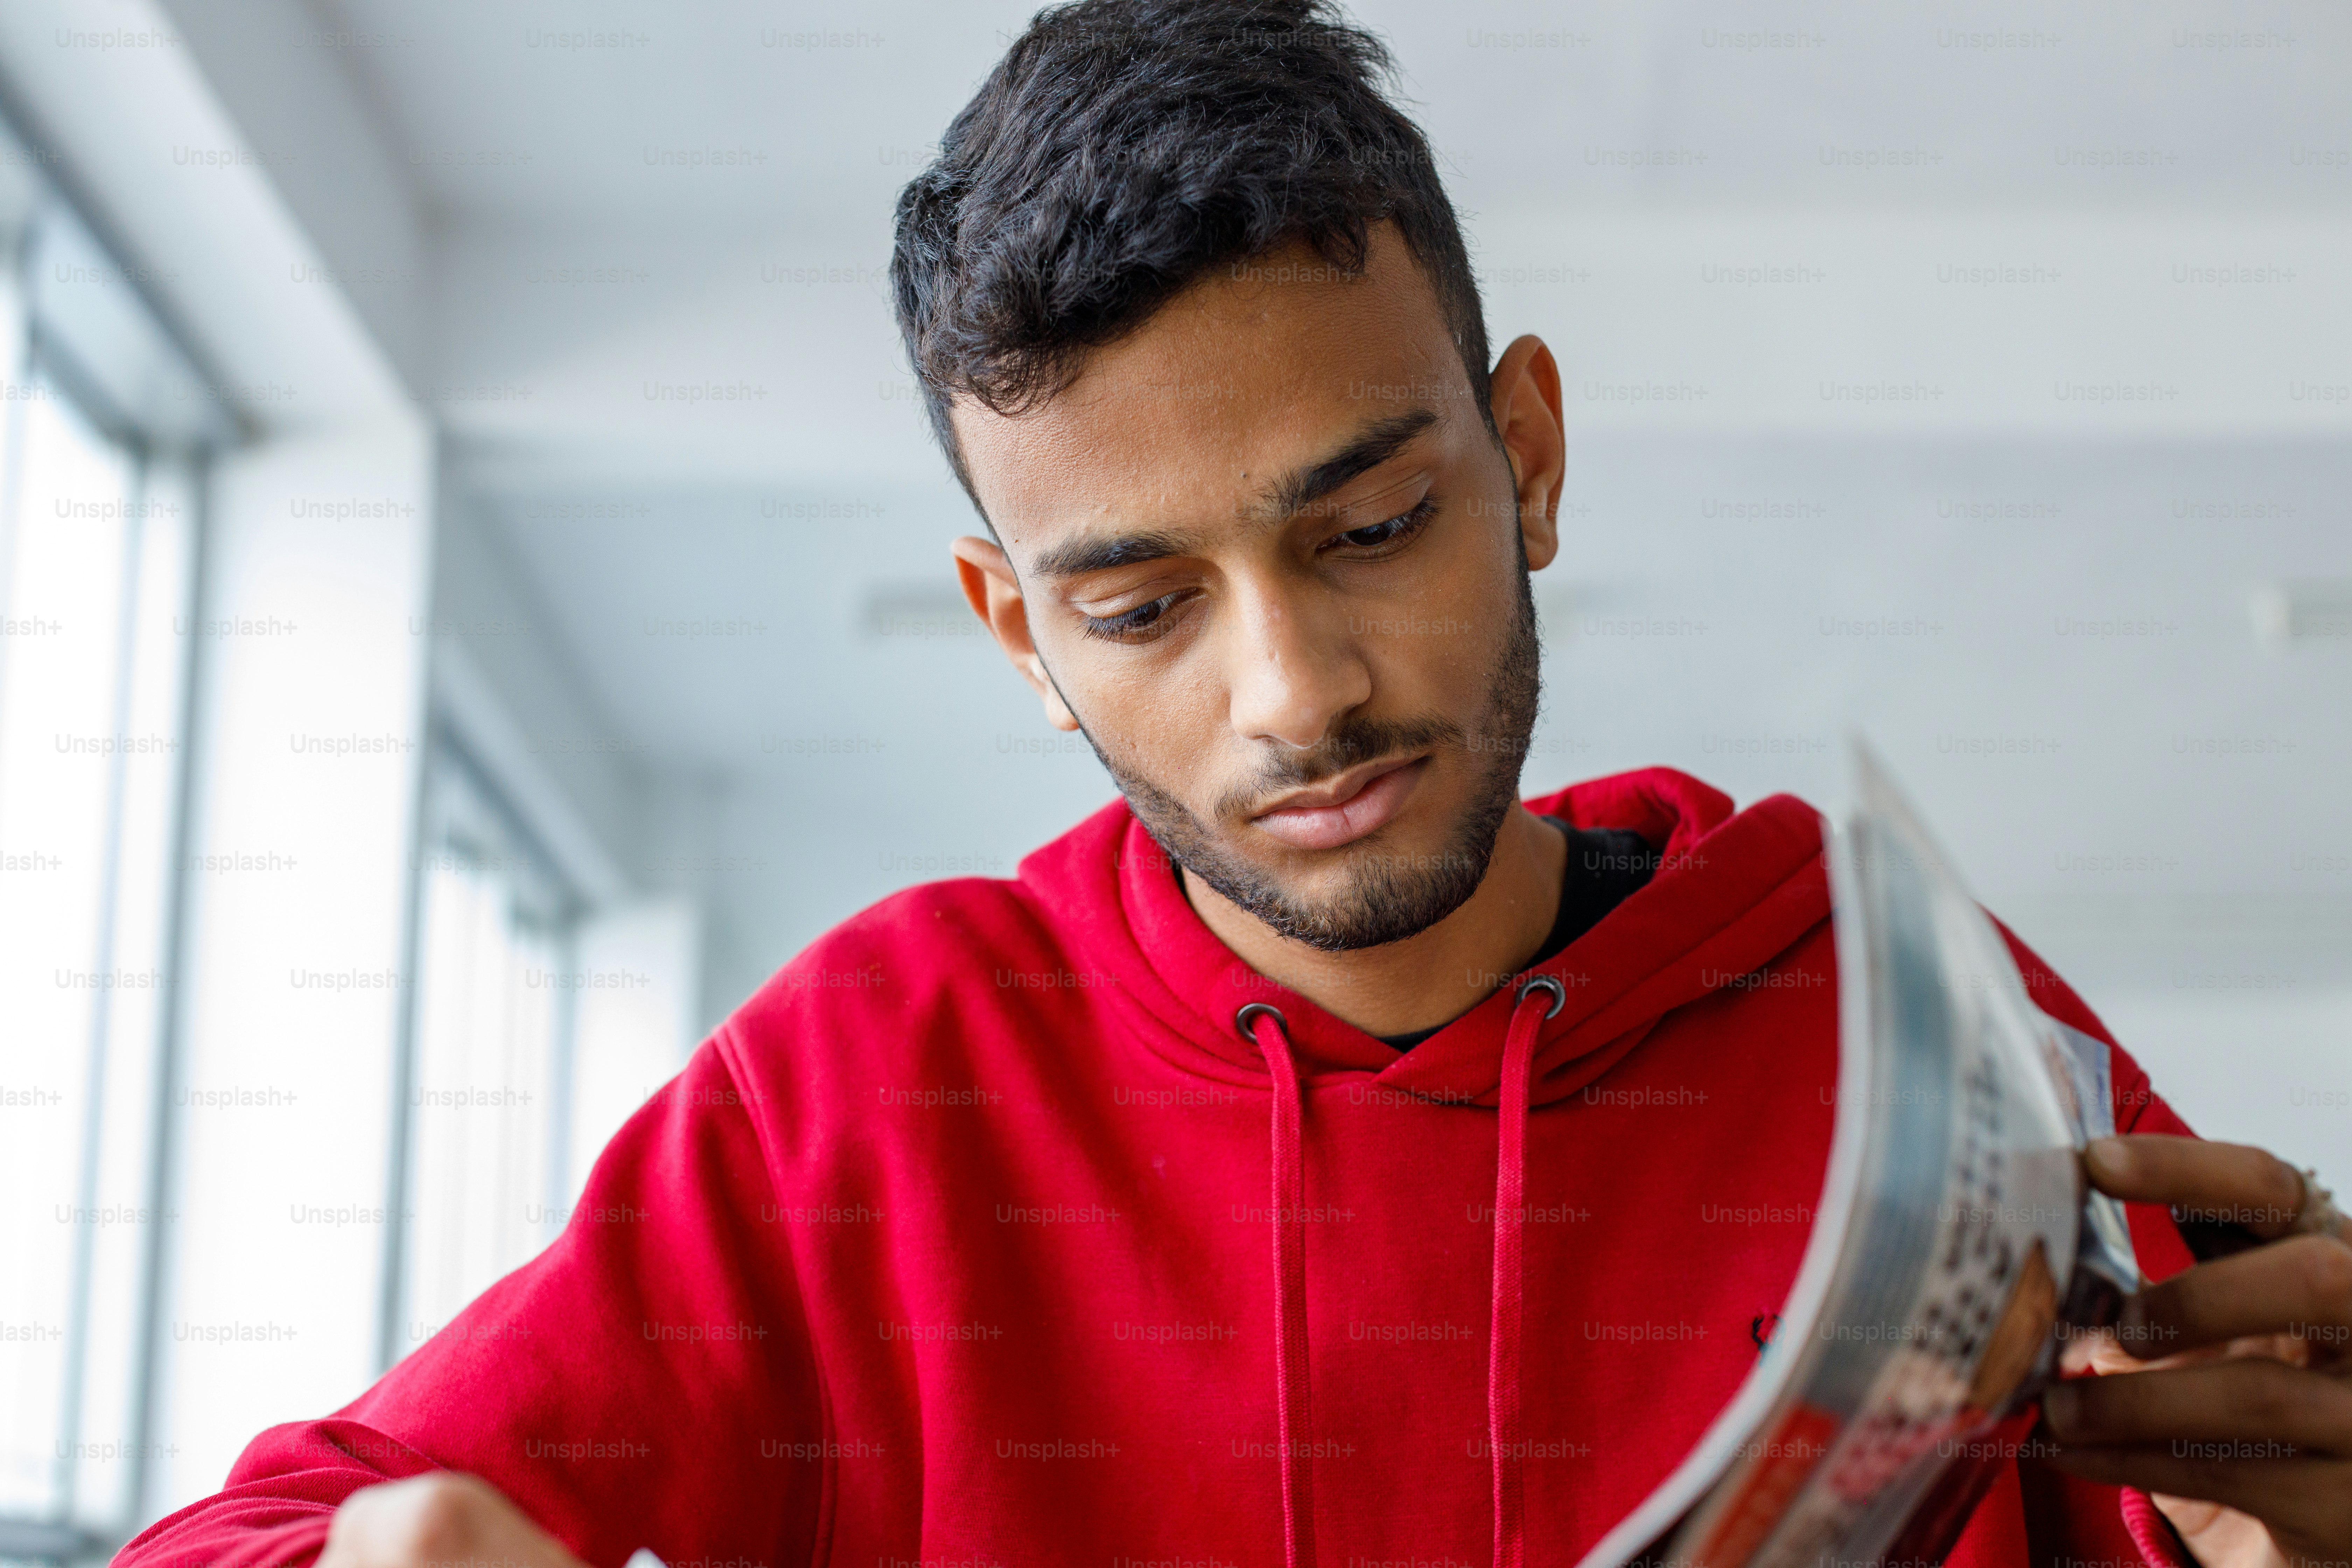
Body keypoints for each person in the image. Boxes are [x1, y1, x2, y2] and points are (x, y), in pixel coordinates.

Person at [118, 4, 2351, 1568]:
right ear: (1017, 631)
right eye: (1140, 607)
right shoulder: (880, 1087)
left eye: (1370, 528)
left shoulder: (1911, 1024)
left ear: (1532, 457)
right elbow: (245, 1534)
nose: (1297, 694)